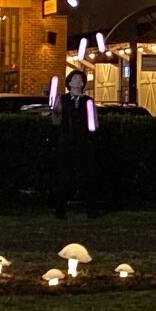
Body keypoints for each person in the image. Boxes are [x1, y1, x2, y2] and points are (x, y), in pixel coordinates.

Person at [50, 68, 99, 218]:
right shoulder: (63, 100)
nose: (78, 80)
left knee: (88, 178)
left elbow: (94, 123)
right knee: (64, 178)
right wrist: (56, 109)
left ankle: (92, 210)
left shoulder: (88, 101)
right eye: (75, 78)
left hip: (84, 144)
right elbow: (56, 120)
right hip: (67, 143)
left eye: (80, 78)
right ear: (69, 82)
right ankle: (60, 211)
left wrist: (92, 127)